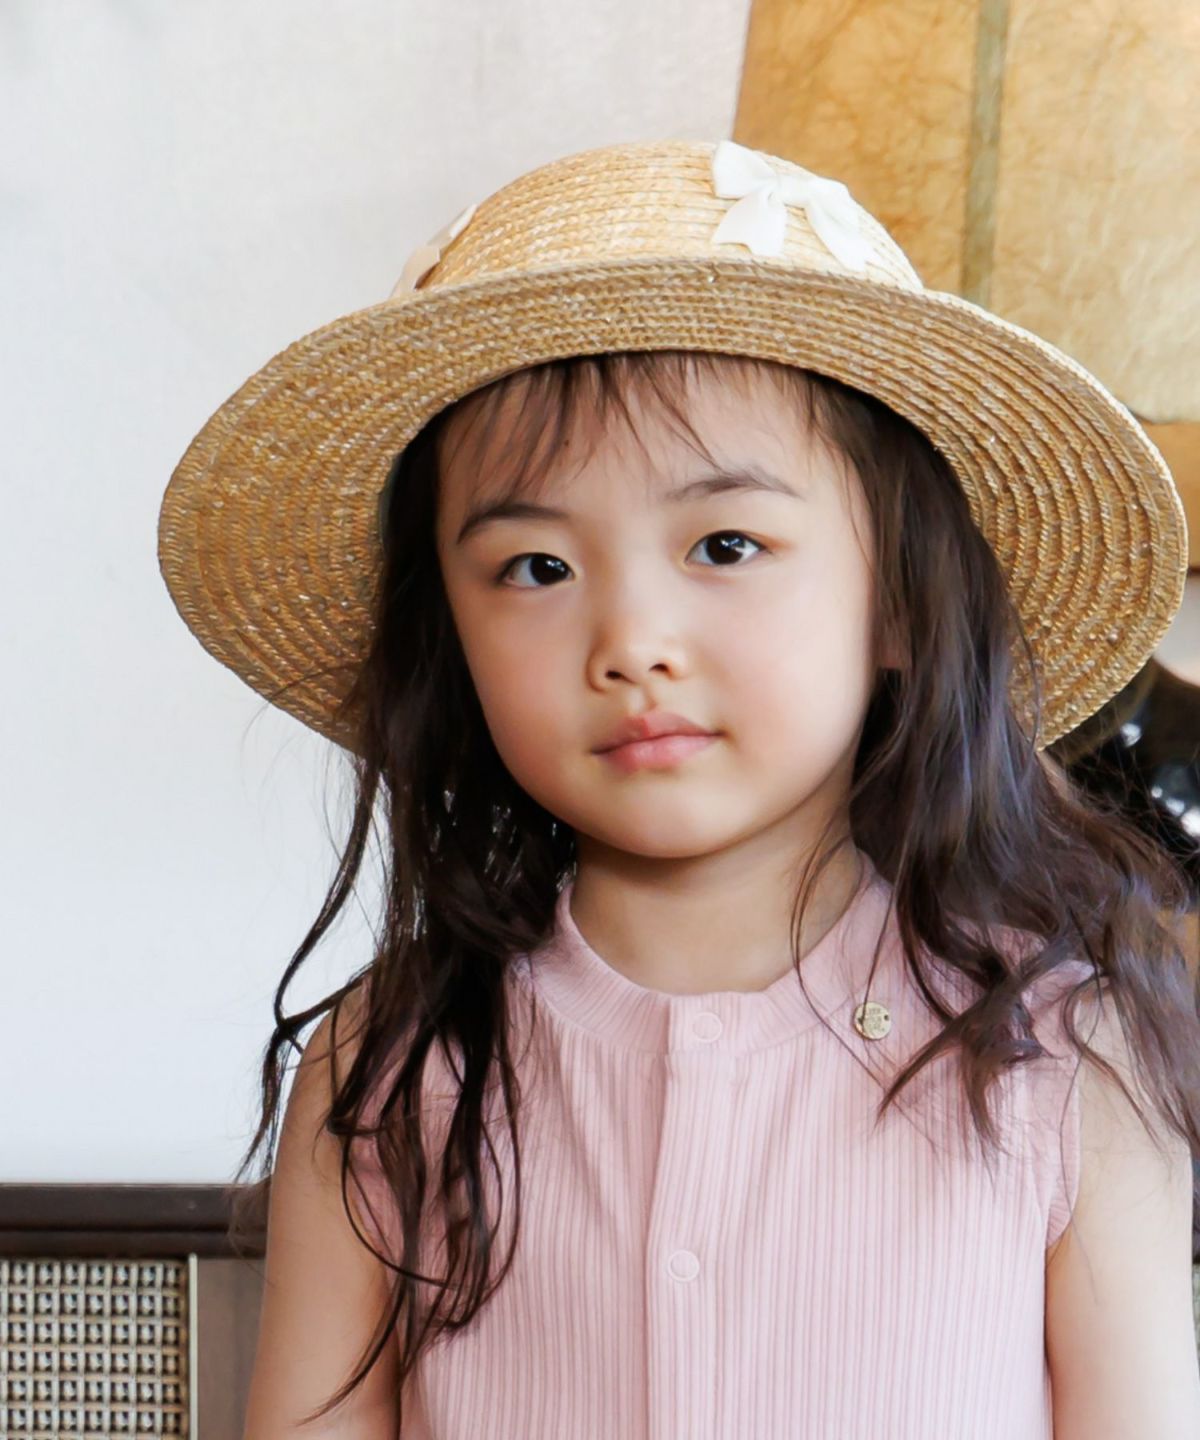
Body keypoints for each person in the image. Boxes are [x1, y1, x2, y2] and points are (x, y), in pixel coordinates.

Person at [158, 139, 1200, 1438]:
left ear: (900, 600)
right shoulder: (386, 1073)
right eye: (536, 568)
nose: (631, 642)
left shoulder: (1064, 1059)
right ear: (453, 640)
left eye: (725, 544)